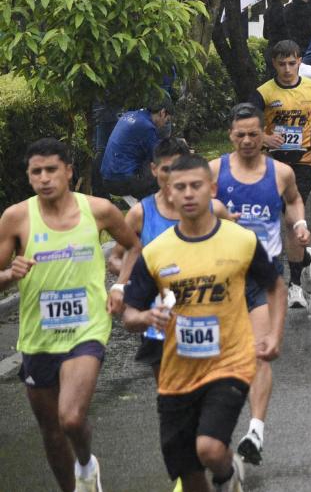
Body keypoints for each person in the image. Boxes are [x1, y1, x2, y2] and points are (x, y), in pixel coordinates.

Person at [122, 154, 286, 492]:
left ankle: (227, 474)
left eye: (196, 186)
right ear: (168, 192)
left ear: (211, 189)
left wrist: (274, 334)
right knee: (189, 472)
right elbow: (129, 313)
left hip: (230, 362)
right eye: (179, 187)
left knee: (209, 448)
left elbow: (274, 286)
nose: (188, 194)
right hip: (177, 373)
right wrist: (145, 317)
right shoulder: (155, 252)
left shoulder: (239, 240)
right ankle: (225, 478)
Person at [0, 139, 141, 492]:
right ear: (29, 177)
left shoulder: (100, 210)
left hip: (87, 328)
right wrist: (9, 275)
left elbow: (133, 245)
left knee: (72, 417)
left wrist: (120, 286)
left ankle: (85, 461)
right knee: (51, 431)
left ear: (68, 172)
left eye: (52, 170)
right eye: (37, 172)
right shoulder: (16, 217)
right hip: (38, 336)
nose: (45, 178)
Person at [209, 103, 310, 467]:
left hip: (264, 275)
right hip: (222, 276)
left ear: (263, 134)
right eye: (241, 135)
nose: (249, 141)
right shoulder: (215, 171)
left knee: (259, 350)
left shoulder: (280, 172)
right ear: (231, 136)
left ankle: (255, 430)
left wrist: (298, 224)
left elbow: (295, 201)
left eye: (254, 134)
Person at [108, 138, 232, 380]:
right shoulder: (139, 214)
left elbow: (235, 256)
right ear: (154, 170)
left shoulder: (214, 210)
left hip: (207, 315)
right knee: (170, 393)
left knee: (209, 389)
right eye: (166, 170)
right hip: (159, 321)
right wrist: (138, 279)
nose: (171, 177)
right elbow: (115, 259)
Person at [250, 40, 311, 309]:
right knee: (278, 222)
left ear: (299, 61)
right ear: (274, 64)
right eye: (281, 64)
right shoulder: (263, 93)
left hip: (303, 163)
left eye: (292, 63)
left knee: (294, 223)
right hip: (272, 165)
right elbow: (244, 124)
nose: (287, 69)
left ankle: (294, 287)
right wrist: (264, 138)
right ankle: (305, 258)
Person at [101, 97, 173, 199]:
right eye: (167, 120)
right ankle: (151, 209)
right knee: (161, 174)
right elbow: (158, 157)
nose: (163, 125)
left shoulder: (129, 114)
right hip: (120, 182)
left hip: (106, 177)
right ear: (162, 112)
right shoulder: (146, 126)